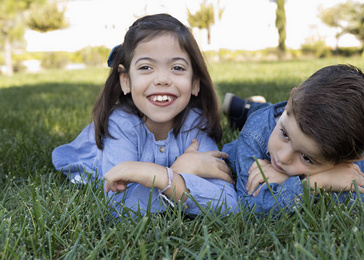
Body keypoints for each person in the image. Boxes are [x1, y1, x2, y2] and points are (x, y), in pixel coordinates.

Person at [52, 14, 237, 217]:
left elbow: (227, 203)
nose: (162, 79)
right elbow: (120, 207)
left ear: (195, 83)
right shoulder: (120, 125)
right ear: (126, 81)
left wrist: (162, 177)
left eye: (177, 68)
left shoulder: (196, 123)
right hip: (93, 157)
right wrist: (176, 175)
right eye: (146, 67)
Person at [221, 64, 364, 214]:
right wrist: (312, 183)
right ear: (291, 100)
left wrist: (310, 183)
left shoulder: (347, 144)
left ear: (347, 159)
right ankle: (252, 108)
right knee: (262, 115)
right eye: (284, 134)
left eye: (307, 158)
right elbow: (248, 206)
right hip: (241, 145)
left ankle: (246, 108)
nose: (283, 157)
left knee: (272, 115)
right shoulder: (253, 135)